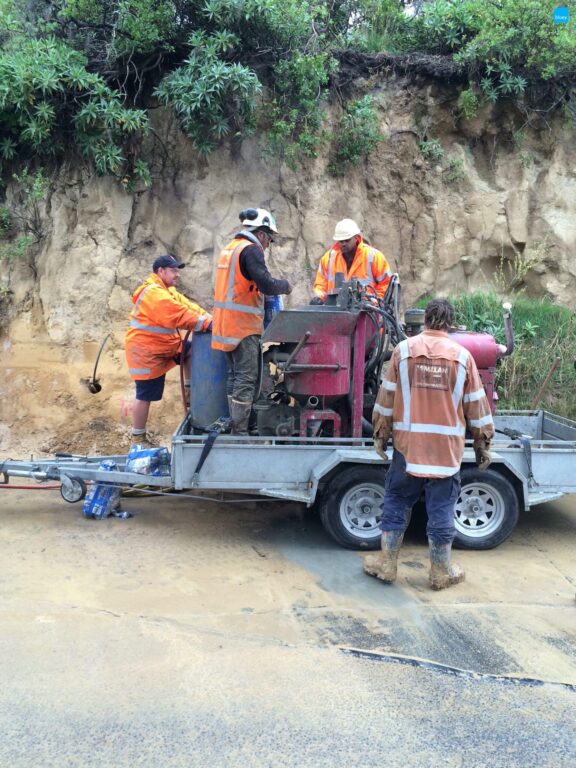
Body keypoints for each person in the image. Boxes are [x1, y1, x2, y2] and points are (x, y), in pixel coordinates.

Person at [365, 298, 494, 590]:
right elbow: (476, 404)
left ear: (424, 320)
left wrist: (380, 435)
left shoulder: (403, 351)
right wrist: (482, 443)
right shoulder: (463, 357)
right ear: (450, 324)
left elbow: (386, 398)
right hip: (445, 453)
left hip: (408, 449)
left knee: (397, 501)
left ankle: (387, 564)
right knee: (442, 510)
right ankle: (440, 572)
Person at [212, 208, 292, 435]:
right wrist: (285, 286)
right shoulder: (251, 251)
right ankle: (240, 433)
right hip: (242, 327)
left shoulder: (230, 249)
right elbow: (266, 285)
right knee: (247, 379)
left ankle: (233, 424)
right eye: (270, 239)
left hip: (224, 326)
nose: (268, 245)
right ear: (263, 234)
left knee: (235, 376)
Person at [125, 254, 212, 444]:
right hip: (145, 352)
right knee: (144, 394)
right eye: (173, 271)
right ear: (160, 271)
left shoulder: (168, 291)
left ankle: (189, 392)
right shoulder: (154, 293)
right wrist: (206, 325)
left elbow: (188, 307)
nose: (177, 275)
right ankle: (138, 436)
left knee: (190, 351)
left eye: (178, 271)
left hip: (164, 347)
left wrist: (209, 318)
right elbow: (178, 314)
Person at [310, 218, 392, 304]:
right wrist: (319, 298)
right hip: (335, 312)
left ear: (356, 238)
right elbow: (321, 285)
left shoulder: (373, 257)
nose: (344, 244)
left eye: (347, 240)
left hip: (368, 313)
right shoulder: (329, 258)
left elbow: (386, 283)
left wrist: (375, 301)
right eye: (341, 241)